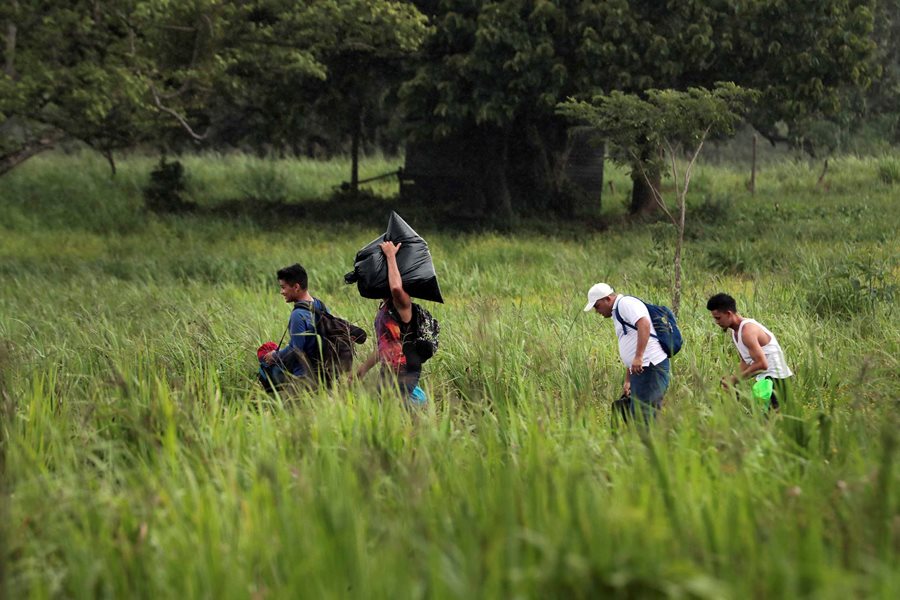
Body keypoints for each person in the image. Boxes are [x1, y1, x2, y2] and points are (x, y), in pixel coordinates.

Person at [352, 241, 426, 407]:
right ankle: (420, 406)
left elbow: (396, 290)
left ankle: (419, 416)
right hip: (390, 368)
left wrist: (391, 256)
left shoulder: (402, 303)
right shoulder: (385, 308)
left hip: (404, 368)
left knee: (393, 408)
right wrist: (364, 368)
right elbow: (385, 345)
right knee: (383, 406)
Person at [584, 283, 671, 422]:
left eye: (597, 306)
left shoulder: (625, 304)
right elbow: (630, 345)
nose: (597, 311)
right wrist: (628, 380)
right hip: (640, 369)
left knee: (645, 415)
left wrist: (639, 357)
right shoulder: (617, 311)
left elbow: (644, 323)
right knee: (638, 413)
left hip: (651, 366)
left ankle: (655, 442)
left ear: (607, 299)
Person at [706, 293, 794, 409]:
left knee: (769, 422)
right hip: (767, 381)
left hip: (778, 381)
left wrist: (735, 379)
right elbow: (746, 361)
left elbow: (762, 364)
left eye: (718, 318)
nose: (716, 322)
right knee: (764, 421)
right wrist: (731, 379)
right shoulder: (735, 332)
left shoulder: (747, 331)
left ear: (728, 314)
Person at [260, 263, 328, 390]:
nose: (281, 292)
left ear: (296, 287)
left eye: (283, 287)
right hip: (324, 375)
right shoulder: (320, 306)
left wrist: (274, 355)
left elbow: (296, 350)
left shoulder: (298, 315)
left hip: (303, 378)